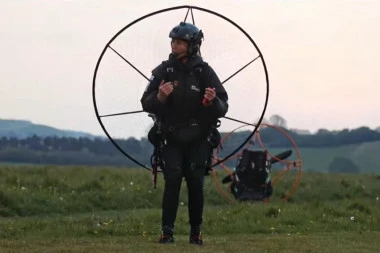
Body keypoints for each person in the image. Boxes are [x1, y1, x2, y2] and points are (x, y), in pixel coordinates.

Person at [140, 22, 229, 245]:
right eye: (173, 41)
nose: (174, 45)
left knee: (195, 182)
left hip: (199, 138)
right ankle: (167, 233)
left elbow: (223, 106)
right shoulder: (162, 71)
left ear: (192, 45)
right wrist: (159, 97)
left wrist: (211, 102)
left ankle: (195, 233)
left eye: (179, 42)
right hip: (170, 137)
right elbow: (145, 103)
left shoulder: (205, 72)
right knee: (172, 180)